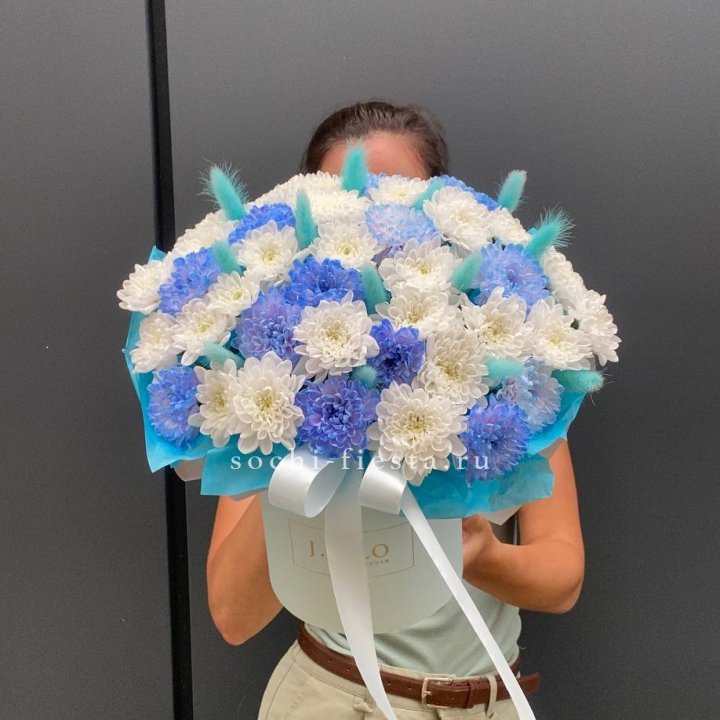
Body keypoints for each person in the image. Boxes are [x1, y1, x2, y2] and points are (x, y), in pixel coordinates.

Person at [205, 100, 585, 719]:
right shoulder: (264, 386)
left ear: (444, 211)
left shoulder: (509, 376)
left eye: (397, 198)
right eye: (347, 203)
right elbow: (233, 614)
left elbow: (562, 577)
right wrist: (301, 443)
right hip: (335, 701)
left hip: (489, 704)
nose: (373, 225)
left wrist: (483, 555)